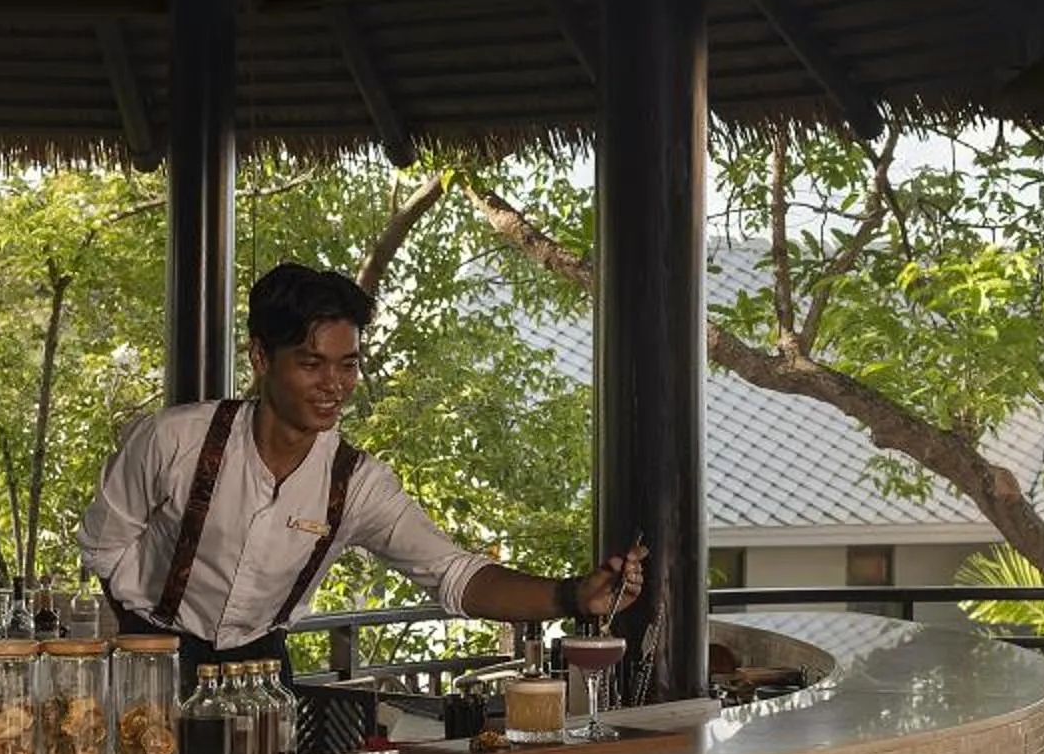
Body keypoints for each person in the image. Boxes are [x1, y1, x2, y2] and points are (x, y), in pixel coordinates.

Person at [80, 263, 643, 676]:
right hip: (151, 657)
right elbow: (104, 548)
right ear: (259, 358)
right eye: (311, 364)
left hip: (261, 673)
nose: (334, 386)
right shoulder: (175, 440)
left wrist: (571, 596)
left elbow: (454, 574)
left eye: (347, 366)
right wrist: (142, 655)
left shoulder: (357, 485)